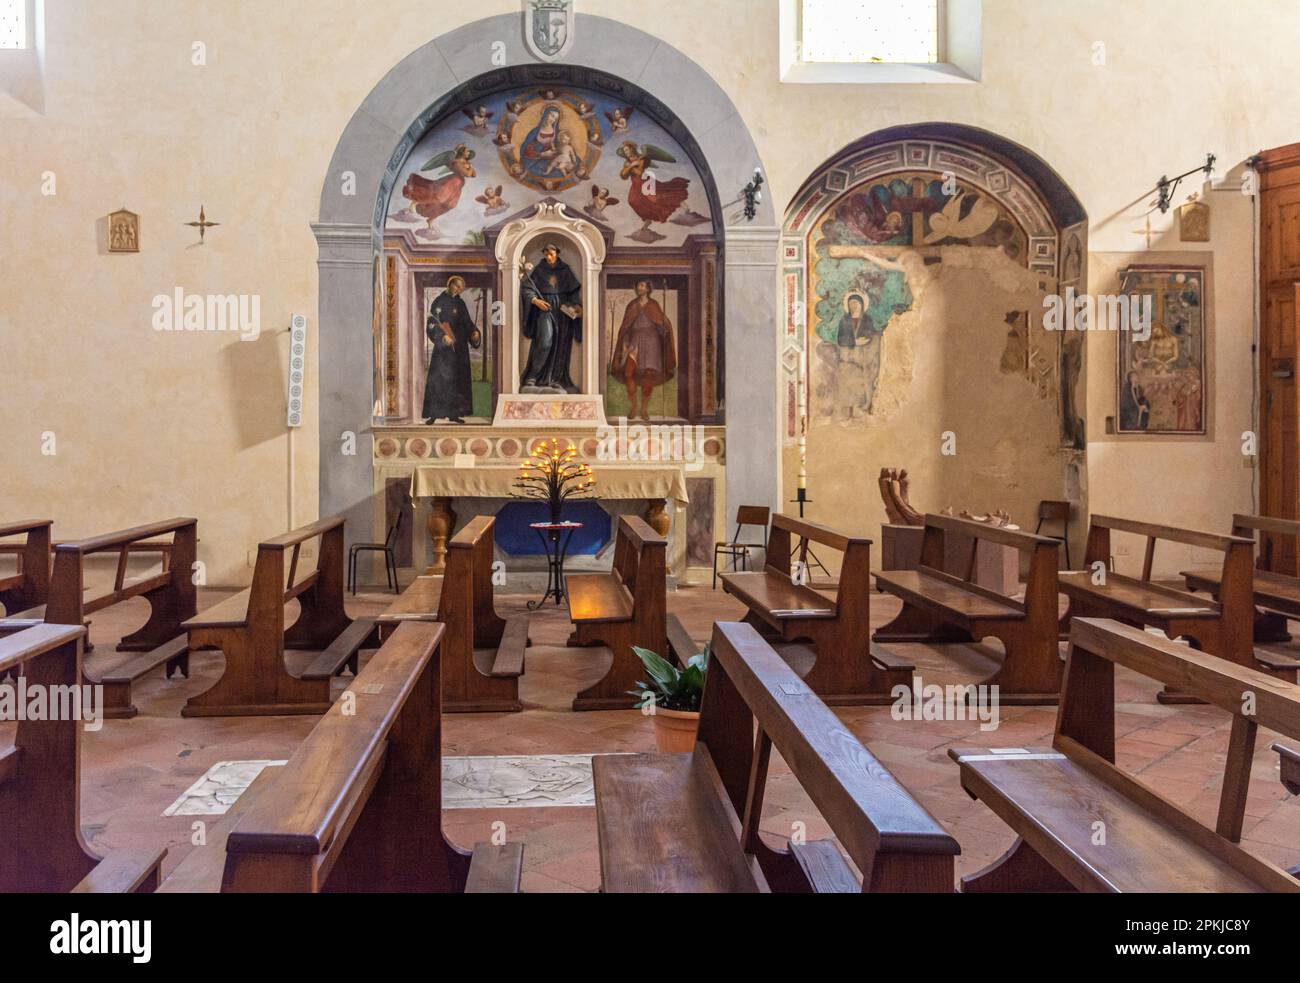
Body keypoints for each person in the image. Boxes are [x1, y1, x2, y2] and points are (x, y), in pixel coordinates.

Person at [520, 243, 583, 393]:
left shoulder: (565, 270)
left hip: (562, 311)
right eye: (546, 254)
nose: (548, 257)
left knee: (561, 343)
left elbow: (573, 292)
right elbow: (528, 289)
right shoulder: (539, 270)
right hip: (545, 308)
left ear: (557, 254)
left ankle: (556, 379)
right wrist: (536, 301)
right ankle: (532, 376)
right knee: (545, 341)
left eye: (551, 254)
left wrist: (576, 306)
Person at [611, 280, 676, 420]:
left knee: (648, 375)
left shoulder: (653, 305)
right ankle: (634, 406)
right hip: (635, 341)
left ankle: (644, 409)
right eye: (638, 285)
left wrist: (664, 328)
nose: (639, 288)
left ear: (648, 288)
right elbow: (626, 327)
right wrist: (626, 343)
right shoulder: (632, 305)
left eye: (642, 285)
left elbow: (661, 324)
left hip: (651, 342)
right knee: (628, 373)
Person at [422, 276, 481, 424]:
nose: (458, 290)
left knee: (457, 381)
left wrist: (474, 333)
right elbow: (432, 322)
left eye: (461, 288)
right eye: (456, 286)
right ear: (450, 284)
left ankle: (454, 414)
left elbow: (467, 323)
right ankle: (434, 414)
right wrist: (442, 336)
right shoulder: (439, 301)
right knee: (440, 380)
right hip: (443, 350)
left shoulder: (460, 303)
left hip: (459, 348)